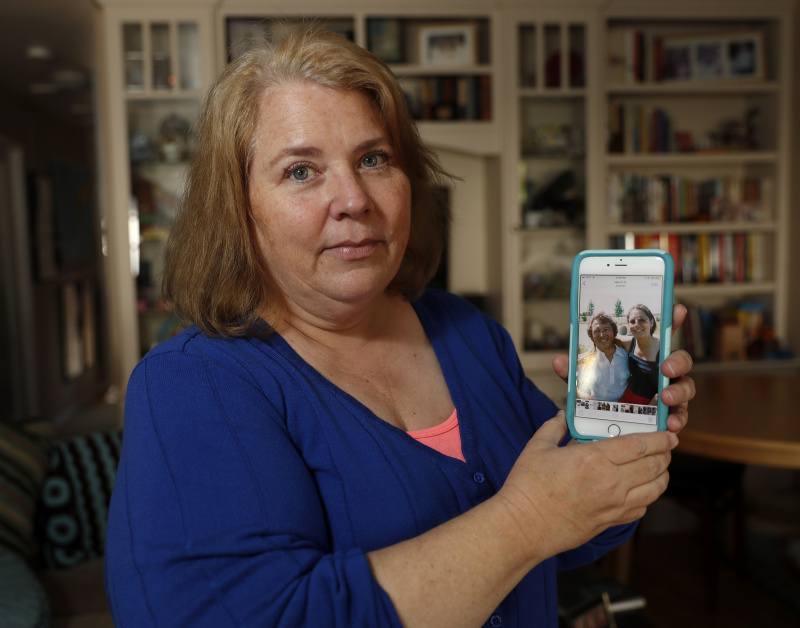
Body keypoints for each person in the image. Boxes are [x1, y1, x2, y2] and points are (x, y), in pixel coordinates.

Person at [104, 25, 695, 628]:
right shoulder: (191, 385)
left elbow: (571, 535)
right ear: (237, 208)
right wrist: (529, 520)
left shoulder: (467, 331)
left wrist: (613, 453)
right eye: (301, 171)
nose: (354, 198)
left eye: (373, 159)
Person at [576, 312, 630, 401]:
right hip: (597, 407)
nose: (602, 335)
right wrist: (584, 396)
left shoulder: (626, 355)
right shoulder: (585, 362)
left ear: (614, 332)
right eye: (596, 331)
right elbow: (578, 387)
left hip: (623, 407)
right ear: (592, 336)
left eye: (606, 329)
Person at [618, 304, 662, 405]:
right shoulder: (629, 343)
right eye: (632, 321)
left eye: (642, 320)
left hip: (651, 404)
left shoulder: (662, 346)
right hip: (627, 401)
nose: (637, 324)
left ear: (651, 322)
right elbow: (608, 339)